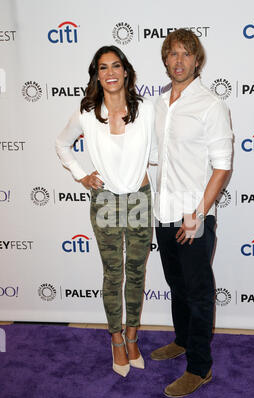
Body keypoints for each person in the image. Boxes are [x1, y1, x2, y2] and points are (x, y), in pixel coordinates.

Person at [55, 45, 157, 378]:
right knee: (114, 273)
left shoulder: (146, 109)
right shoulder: (87, 113)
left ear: (126, 71)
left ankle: (132, 336)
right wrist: (80, 174)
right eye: (103, 67)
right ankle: (115, 338)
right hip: (106, 201)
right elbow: (62, 144)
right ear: (96, 75)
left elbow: (161, 151)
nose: (110, 72)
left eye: (116, 66)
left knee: (137, 272)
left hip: (139, 198)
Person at [151, 29, 233, 397]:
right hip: (163, 214)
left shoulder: (211, 105)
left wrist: (197, 214)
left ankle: (200, 368)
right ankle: (182, 341)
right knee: (176, 286)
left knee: (198, 294)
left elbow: (222, 166)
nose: (179, 60)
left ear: (197, 61)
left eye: (186, 54)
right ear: (166, 60)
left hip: (193, 218)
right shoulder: (158, 103)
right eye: (172, 54)